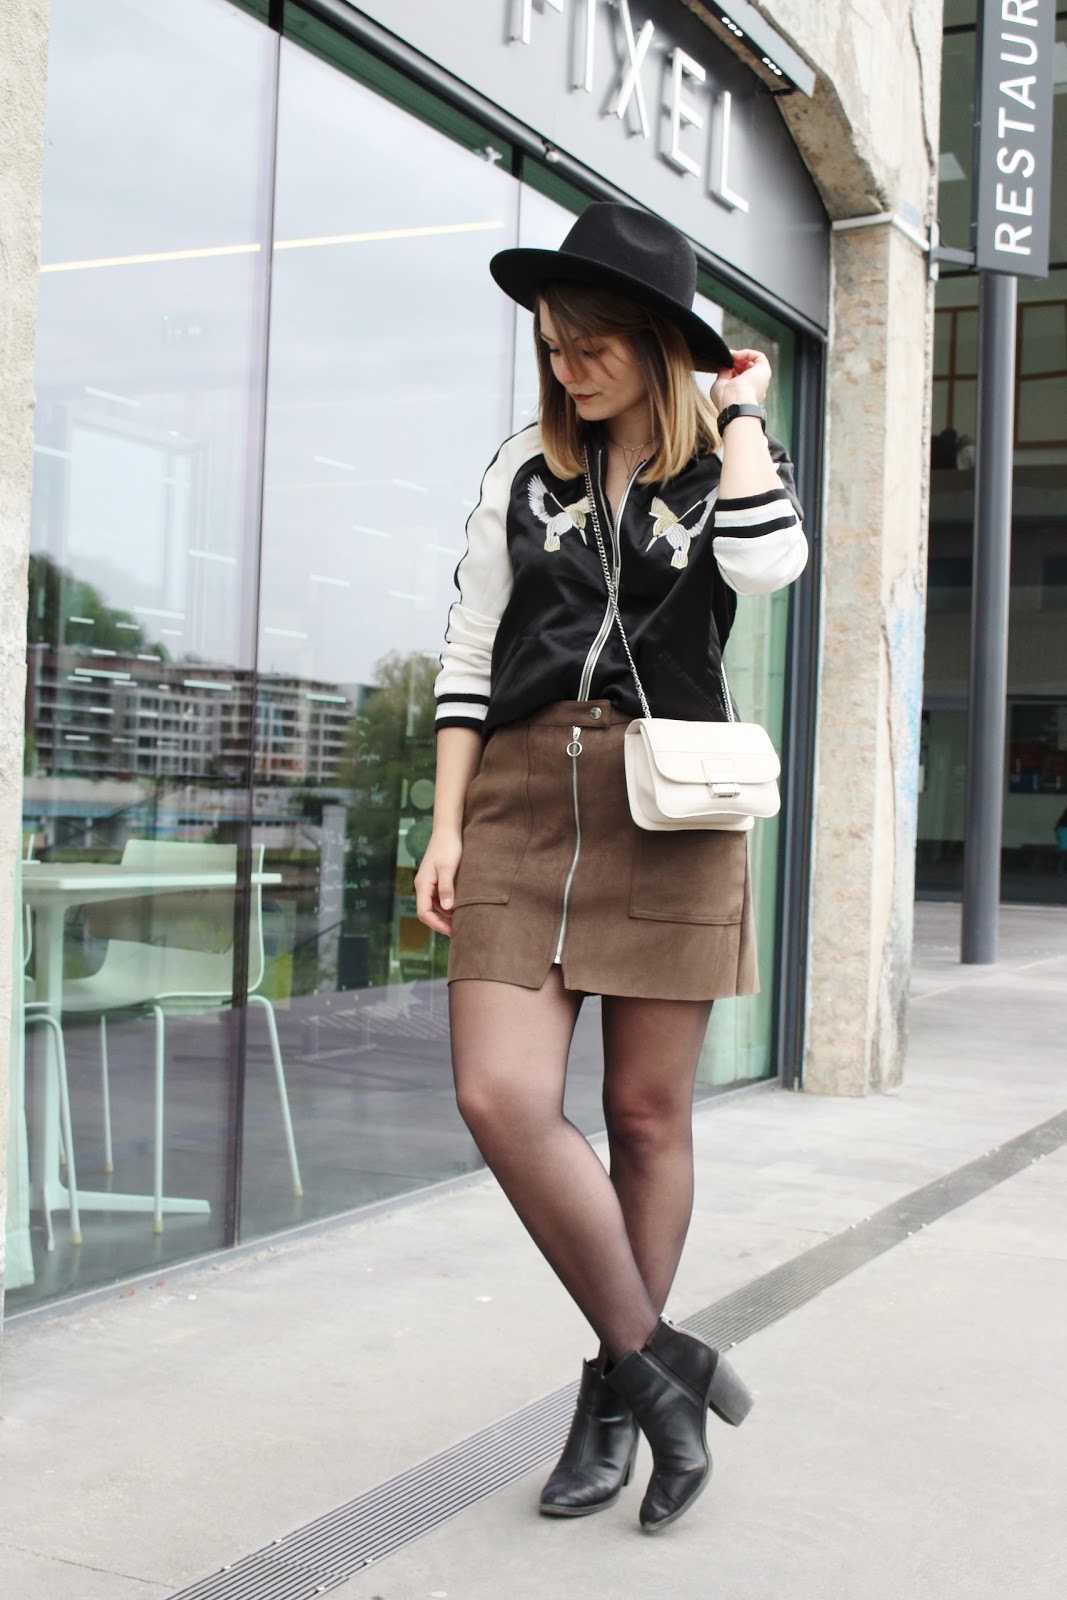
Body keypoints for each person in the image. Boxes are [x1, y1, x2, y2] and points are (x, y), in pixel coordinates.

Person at [415, 202, 808, 1534]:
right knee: (499, 1095)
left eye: (590, 344)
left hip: (671, 805)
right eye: (551, 343)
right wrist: (447, 826)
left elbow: (771, 564)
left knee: (644, 1119)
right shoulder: (523, 467)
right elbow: (471, 650)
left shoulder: (728, 463)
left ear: (655, 343)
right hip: (524, 797)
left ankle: (610, 1393)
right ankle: (659, 1367)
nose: (565, 365)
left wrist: (739, 411)